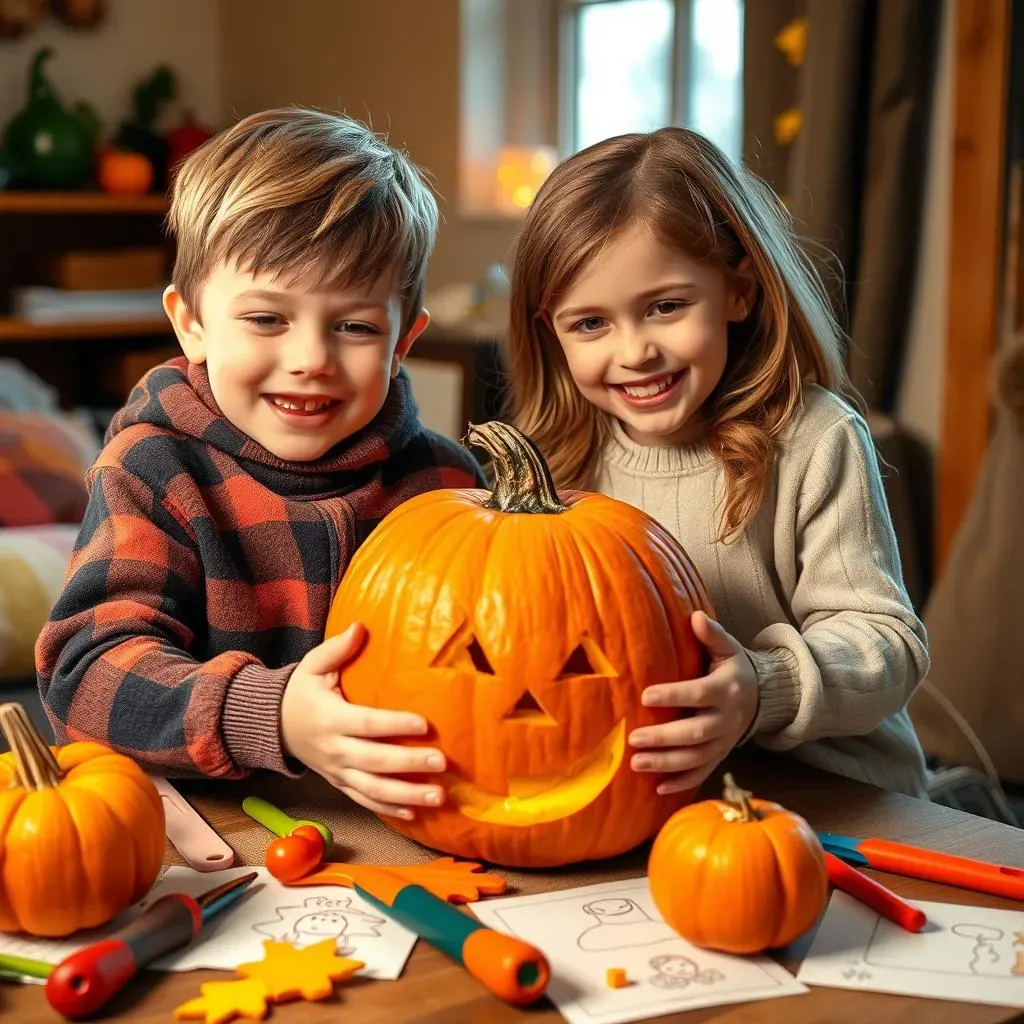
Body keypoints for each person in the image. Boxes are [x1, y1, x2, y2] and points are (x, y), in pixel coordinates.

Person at [36, 107, 483, 821]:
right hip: (216, 829)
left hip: (413, 820)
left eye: (356, 327)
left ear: (404, 341)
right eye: (267, 319)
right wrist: (269, 715)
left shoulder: (449, 487)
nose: (310, 360)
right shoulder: (153, 469)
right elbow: (84, 677)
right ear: (192, 322)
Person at [504, 126, 930, 798]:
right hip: (668, 794)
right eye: (591, 323)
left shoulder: (814, 439)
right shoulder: (555, 468)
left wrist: (764, 686)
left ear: (740, 292)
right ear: (549, 332)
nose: (635, 350)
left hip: (836, 794)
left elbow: (887, 644)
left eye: (666, 307)